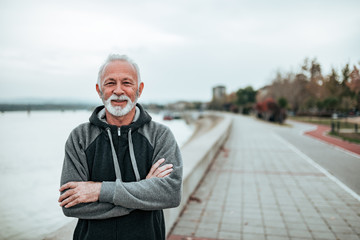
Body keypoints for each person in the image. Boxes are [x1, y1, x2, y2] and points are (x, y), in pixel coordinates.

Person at [58, 54, 183, 240]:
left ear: (139, 89)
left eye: (127, 82)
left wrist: (99, 191)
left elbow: (170, 194)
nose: (118, 90)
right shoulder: (80, 137)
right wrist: (144, 192)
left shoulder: (160, 135)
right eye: (110, 83)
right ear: (99, 90)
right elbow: (71, 204)